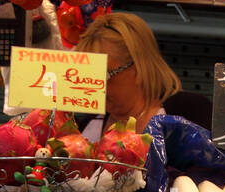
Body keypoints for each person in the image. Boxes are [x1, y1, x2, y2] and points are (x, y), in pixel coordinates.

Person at [73, 12, 212, 140]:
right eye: (89, 77)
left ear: (138, 67)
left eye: (103, 76)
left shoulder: (190, 112)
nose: (94, 86)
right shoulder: (86, 126)